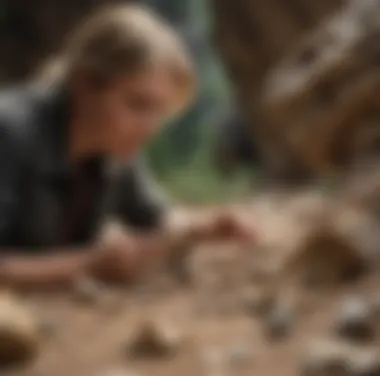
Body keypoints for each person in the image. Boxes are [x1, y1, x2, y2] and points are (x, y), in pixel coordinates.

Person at [0, 5, 255, 290]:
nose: (150, 127)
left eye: (160, 112)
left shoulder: (111, 149)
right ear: (84, 82)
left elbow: (154, 217)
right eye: (138, 105)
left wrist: (202, 230)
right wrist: (88, 265)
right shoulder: (10, 133)